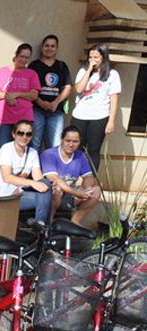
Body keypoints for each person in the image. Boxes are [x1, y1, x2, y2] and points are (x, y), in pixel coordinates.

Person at [0, 119, 53, 224]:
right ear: (13, 133)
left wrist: (50, 184)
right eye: (21, 133)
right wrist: (32, 183)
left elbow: (38, 178)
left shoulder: (32, 152)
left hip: (21, 192)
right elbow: (6, 177)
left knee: (46, 184)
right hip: (4, 195)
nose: (24, 137)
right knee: (45, 199)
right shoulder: (6, 149)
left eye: (28, 134)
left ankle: (40, 224)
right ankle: (42, 226)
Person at [71, 44, 120, 173]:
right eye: (90, 57)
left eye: (96, 57)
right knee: (77, 148)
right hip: (80, 115)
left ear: (103, 57)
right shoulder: (83, 71)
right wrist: (88, 70)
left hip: (99, 117)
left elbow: (114, 99)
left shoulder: (112, 74)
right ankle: (74, 178)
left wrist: (111, 121)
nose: (93, 60)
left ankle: (90, 182)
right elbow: (78, 89)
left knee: (93, 150)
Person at [41, 125, 101, 225]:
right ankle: (48, 224)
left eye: (75, 141)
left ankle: (75, 222)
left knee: (96, 190)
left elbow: (89, 176)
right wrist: (77, 194)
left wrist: (87, 189)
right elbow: (55, 179)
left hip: (71, 195)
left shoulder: (80, 155)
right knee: (57, 189)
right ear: (61, 139)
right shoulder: (49, 154)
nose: (71, 144)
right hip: (52, 195)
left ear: (80, 141)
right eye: (67, 140)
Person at [0, 43, 41, 152]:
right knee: (2, 151)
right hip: (4, 119)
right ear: (15, 55)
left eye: (27, 57)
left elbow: (34, 95)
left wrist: (16, 94)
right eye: (21, 56)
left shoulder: (32, 74)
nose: (23, 60)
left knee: (22, 153)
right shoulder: (2, 71)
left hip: (24, 119)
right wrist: (6, 96)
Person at [29, 34, 72, 151]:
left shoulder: (62, 66)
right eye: (46, 45)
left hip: (56, 112)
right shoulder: (34, 66)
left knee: (54, 145)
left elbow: (68, 87)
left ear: (57, 49)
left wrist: (56, 102)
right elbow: (28, 88)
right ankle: (34, 169)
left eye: (52, 46)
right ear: (42, 48)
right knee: (35, 143)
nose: (49, 48)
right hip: (37, 110)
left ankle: (50, 169)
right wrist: (40, 102)